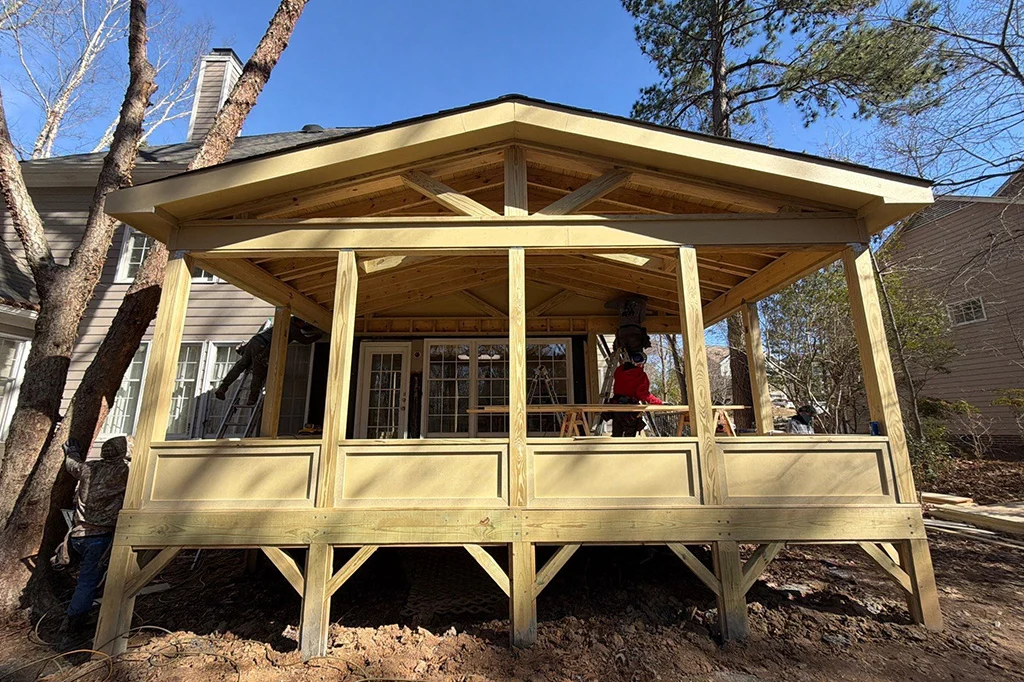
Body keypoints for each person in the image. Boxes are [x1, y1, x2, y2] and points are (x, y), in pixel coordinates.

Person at [60, 436, 131, 639]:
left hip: (77, 535)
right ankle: (74, 623)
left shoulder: (88, 468)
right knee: (88, 581)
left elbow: (72, 465)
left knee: (86, 578)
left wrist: (71, 452)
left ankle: (78, 608)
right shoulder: (123, 471)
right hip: (99, 537)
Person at [215, 317, 322, 405]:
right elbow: (305, 341)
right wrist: (318, 335)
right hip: (263, 346)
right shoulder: (293, 329)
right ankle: (252, 398)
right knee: (258, 373)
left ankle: (223, 388)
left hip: (254, 341)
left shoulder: (285, 320)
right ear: (300, 322)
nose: (303, 326)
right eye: (303, 323)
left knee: (240, 365)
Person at [608, 352, 663, 437]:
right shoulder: (641, 375)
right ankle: (627, 450)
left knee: (616, 434)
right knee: (629, 437)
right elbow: (643, 394)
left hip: (617, 407)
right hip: (630, 409)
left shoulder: (619, 370)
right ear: (642, 363)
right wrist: (659, 402)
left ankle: (615, 450)